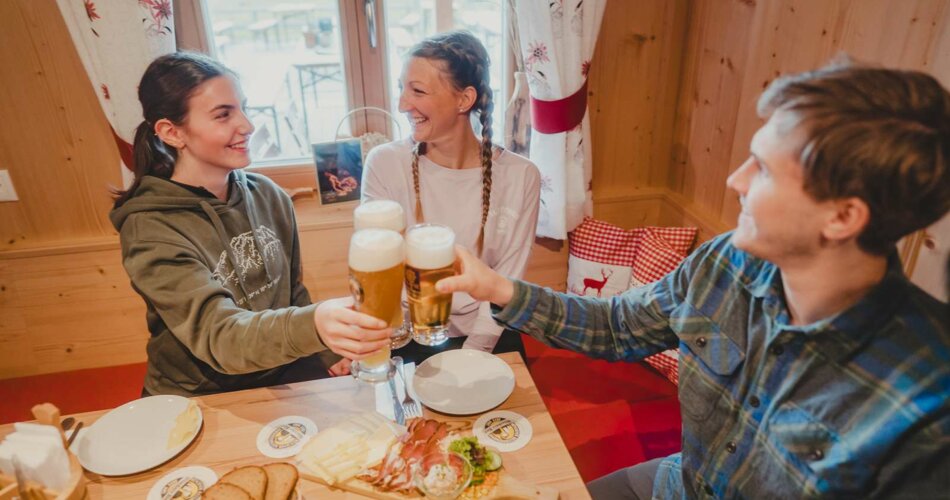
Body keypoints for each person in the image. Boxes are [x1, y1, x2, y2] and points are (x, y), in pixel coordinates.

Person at [436, 61, 950, 498]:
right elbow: (619, 325)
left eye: (765, 170)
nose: (736, 180)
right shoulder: (728, 261)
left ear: (842, 218)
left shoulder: (927, 404)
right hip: (676, 483)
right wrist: (497, 288)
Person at [110, 52, 390, 397]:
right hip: (203, 392)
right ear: (171, 132)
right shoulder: (150, 227)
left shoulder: (269, 195)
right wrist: (313, 326)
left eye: (242, 108)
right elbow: (221, 337)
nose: (246, 125)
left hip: (282, 368)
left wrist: (325, 347)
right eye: (223, 115)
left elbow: (290, 291)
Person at [361, 30, 541, 363]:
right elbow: (381, 273)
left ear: (464, 99)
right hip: (410, 337)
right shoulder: (385, 163)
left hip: (490, 332)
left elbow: (508, 278)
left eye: (417, 91)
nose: (402, 104)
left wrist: (471, 357)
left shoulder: (521, 176)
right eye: (401, 88)